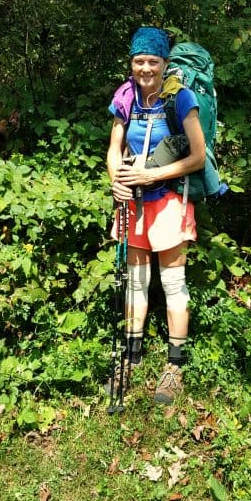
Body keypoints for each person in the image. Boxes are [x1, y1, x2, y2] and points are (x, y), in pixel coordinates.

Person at [106, 26, 205, 404]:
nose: (145, 68)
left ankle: (174, 367)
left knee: (172, 283)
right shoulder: (126, 96)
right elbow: (114, 149)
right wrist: (117, 180)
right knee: (136, 282)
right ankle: (131, 358)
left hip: (168, 202)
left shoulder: (181, 98)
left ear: (165, 63)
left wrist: (151, 175)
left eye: (153, 61)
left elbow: (196, 156)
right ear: (131, 62)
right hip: (133, 203)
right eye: (139, 60)